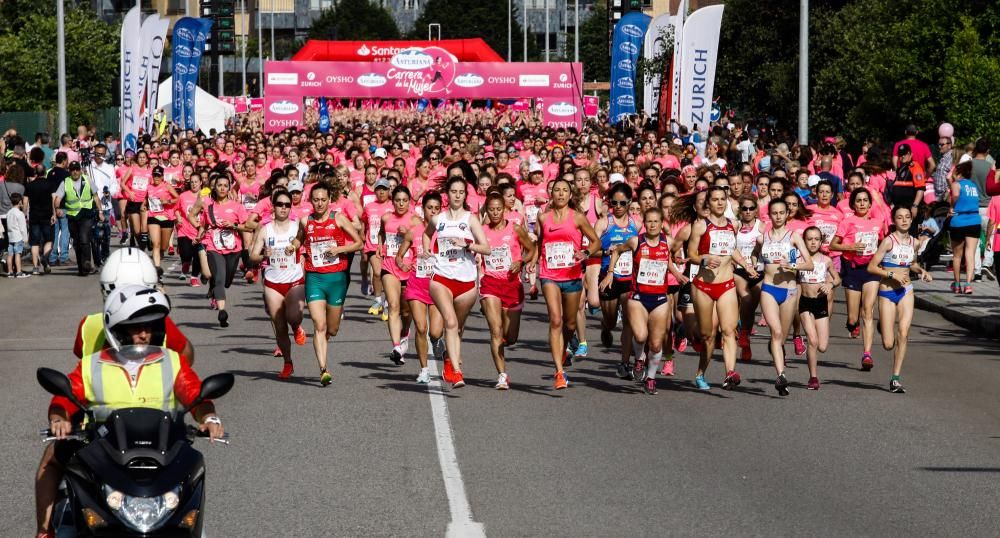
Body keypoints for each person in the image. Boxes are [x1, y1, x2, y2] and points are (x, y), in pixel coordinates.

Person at [35, 285, 223, 538]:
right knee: (52, 457)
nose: (144, 334)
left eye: (150, 326)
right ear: (118, 330)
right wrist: (59, 418)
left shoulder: (171, 361)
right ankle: (44, 531)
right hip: (103, 450)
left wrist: (209, 418)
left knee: (193, 470)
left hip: (163, 449)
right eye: (136, 328)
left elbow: (196, 394)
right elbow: (66, 393)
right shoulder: (93, 364)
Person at [288, 181, 363, 386]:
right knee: (318, 325)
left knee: (332, 329)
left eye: (323, 200)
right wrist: (291, 247)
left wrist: (339, 250)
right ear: (310, 201)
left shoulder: (338, 219)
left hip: (337, 278)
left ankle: (326, 339)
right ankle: (323, 369)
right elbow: (299, 239)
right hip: (314, 278)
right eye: (316, 200)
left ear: (329, 200)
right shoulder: (306, 221)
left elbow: (359, 242)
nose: (319, 203)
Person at [684, 186, 758, 390]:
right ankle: (700, 373)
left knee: (728, 330)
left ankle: (730, 372)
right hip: (704, 286)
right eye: (714, 199)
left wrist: (745, 265)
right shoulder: (700, 225)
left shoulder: (733, 224)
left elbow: (732, 248)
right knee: (708, 336)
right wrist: (704, 259)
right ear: (708, 203)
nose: (719, 203)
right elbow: (691, 253)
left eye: (722, 199)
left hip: (726, 285)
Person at [424, 176, 492, 388]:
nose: (457, 195)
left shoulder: (471, 219)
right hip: (441, 277)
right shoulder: (439, 219)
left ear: (465, 195)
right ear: (448, 194)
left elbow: (487, 248)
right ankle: (457, 371)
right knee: (450, 322)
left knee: (458, 327)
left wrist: (467, 244)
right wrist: (427, 250)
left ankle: (447, 357)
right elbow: (427, 234)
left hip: (466, 281)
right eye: (453, 192)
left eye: (461, 192)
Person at [532, 178, 600, 389]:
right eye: (557, 190)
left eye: (565, 191)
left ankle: (565, 346)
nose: (560, 194)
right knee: (555, 319)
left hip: (571, 275)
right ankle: (559, 372)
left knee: (570, 324)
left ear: (570, 196)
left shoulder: (578, 218)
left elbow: (596, 241)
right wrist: (532, 263)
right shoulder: (543, 218)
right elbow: (539, 243)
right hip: (549, 274)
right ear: (551, 195)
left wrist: (586, 252)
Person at [604, 208, 677, 395]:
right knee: (640, 336)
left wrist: (677, 270)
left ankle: (651, 379)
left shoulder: (668, 242)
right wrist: (610, 273)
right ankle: (638, 359)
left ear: (662, 224)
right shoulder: (636, 241)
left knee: (656, 344)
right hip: (638, 297)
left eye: (656, 221)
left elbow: (672, 257)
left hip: (660, 298)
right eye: (649, 221)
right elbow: (617, 251)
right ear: (644, 223)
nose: (652, 225)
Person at [77, 248, 193, 361]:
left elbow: (81, 358)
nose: (143, 334)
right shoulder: (161, 323)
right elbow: (187, 353)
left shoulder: (87, 325)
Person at [867, 205, 932, 393]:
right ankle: (883, 326)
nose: (904, 220)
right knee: (888, 344)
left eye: (907, 217)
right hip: (887, 292)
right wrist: (890, 274)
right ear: (894, 221)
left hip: (906, 291)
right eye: (900, 217)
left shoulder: (915, 243)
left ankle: (895, 378)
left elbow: (912, 264)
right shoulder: (888, 241)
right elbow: (871, 267)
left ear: (911, 220)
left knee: (903, 333)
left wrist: (922, 271)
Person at [757, 199, 813, 395]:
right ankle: (781, 376)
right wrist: (752, 267)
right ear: (769, 215)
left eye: (782, 212)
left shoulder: (794, 237)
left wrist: (794, 266)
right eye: (774, 213)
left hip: (789, 291)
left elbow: (809, 264)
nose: (778, 216)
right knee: (777, 332)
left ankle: (777, 348)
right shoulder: (763, 237)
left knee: (782, 336)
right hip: (769, 288)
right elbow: (756, 258)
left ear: (787, 214)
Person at [480, 190, 536, 389]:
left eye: (498, 209)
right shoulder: (482, 231)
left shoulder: (515, 229)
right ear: (486, 210)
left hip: (512, 285)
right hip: (490, 284)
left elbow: (531, 249)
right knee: (496, 331)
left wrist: (521, 262)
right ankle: (502, 375)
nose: (495, 213)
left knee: (510, 337)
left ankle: (502, 342)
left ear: (505, 209)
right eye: (491, 209)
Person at [249, 188, 307, 379]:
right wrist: (263, 254)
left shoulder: (297, 225)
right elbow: (252, 256)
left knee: (294, 316)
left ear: (291, 207)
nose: (283, 208)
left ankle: (297, 327)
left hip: (294, 280)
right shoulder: (266, 229)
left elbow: (308, 239)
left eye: (287, 205)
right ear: (273, 207)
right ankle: (288, 362)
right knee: (279, 325)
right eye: (280, 204)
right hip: (273, 281)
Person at [188, 174, 255, 327]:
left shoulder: (237, 206)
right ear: (215, 187)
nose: (222, 188)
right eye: (219, 185)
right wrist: (200, 231)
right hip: (213, 247)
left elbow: (249, 227)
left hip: (233, 248)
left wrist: (234, 225)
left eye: (225, 185)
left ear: (229, 187)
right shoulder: (208, 206)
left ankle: (215, 289)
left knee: (226, 281)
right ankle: (222, 312)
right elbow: (199, 221)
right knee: (219, 277)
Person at [830, 188, 884, 370]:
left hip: (871, 271)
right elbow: (833, 244)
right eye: (858, 200)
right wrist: (851, 247)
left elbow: (884, 243)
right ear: (853, 204)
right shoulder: (847, 222)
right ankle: (851, 323)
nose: (862, 203)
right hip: (852, 269)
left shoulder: (878, 222)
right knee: (854, 318)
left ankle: (867, 354)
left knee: (868, 311)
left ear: (870, 204)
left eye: (865, 200)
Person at [396, 191, 445, 384]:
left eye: (436, 208)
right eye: (429, 208)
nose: (432, 212)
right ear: (422, 209)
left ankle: (438, 342)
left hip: (438, 285)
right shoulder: (413, 231)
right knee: (421, 327)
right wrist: (402, 264)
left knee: (434, 332)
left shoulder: (445, 232)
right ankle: (424, 369)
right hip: (416, 285)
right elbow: (400, 256)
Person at [595, 183, 640, 377]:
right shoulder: (604, 223)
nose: (619, 206)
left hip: (629, 278)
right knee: (612, 321)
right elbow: (591, 249)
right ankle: (606, 328)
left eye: (623, 202)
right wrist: (606, 251)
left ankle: (624, 362)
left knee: (629, 320)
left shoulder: (636, 224)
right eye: (615, 202)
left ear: (630, 202)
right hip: (608, 278)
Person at [378, 185, 418, 364]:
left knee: (406, 311)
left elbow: (420, 242)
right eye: (397, 200)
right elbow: (381, 233)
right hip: (389, 266)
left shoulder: (416, 221)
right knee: (393, 306)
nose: (401, 204)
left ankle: (404, 333)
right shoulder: (386, 217)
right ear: (392, 201)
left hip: (408, 268)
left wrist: (408, 234)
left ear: (409, 202)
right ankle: (396, 347)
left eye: (404, 200)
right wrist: (380, 245)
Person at [797, 226, 840, 390]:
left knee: (822, 346)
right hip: (805, 303)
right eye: (809, 239)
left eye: (816, 239)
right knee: (813, 341)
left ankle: (813, 372)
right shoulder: (801, 259)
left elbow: (837, 279)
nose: (813, 242)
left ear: (821, 241)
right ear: (804, 241)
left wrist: (830, 284)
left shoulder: (826, 260)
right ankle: (813, 377)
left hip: (820, 304)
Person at [53, 162, 102, 276]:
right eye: (72, 170)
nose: (75, 172)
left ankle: (87, 262)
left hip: (86, 213)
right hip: (72, 215)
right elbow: (58, 198)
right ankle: (81, 268)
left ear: (80, 170)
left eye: (77, 169)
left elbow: (95, 196)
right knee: (77, 241)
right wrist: (57, 208)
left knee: (84, 238)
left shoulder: (87, 179)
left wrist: (100, 211)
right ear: (69, 171)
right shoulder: (66, 182)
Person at [733, 194, 764, 361]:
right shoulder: (735, 226)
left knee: (752, 307)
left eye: (751, 208)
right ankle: (743, 333)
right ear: (740, 210)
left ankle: (745, 337)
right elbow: (729, 248)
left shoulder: (762, 226)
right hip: (739, 269)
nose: (747, 211)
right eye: (744, 208)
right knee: (745, 298)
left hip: (758, 270)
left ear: (756, 210)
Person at [362, 178, 394, 318]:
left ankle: (387, 304)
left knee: (388, 275)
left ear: (389, 191)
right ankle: (377, 300)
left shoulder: (394, 206)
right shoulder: (369, 206)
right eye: (378, 189)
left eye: (384, 189)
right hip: (372, 245)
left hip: (390, 246)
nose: (381, 192)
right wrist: (362, 238)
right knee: (377, 272)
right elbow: (364, 223)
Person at [948, 160, 981, 294]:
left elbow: (955, 194)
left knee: (957, 255)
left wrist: (951, 206)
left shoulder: (957, 184)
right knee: (970, 254)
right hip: (974, 220)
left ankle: (957, 284)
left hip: (959, 220)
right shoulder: (973, 185)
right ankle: (968, 284)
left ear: (959, 173)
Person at [144, 166, 180, 276]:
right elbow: (146, 199)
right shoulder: (149, 187)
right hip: (153, 216)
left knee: (163, 247)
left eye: (158, 176)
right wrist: (144, 205)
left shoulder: (167, 186)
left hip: (167, 217)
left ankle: (160, 254)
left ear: (162, 176)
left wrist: (167, 201)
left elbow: (177, 198)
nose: (156, 178)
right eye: (155, 175)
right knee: (156, 244)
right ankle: (157, 267)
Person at [4, 192, 29, 277]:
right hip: (18, 236)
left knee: (10, 254)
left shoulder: (9, 213)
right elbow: (22, 228)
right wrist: (25, 238)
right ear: (19, 202)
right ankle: (19, 272)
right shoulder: (20, 213)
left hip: (10, 236)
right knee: (18, 254)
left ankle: (10, 272)